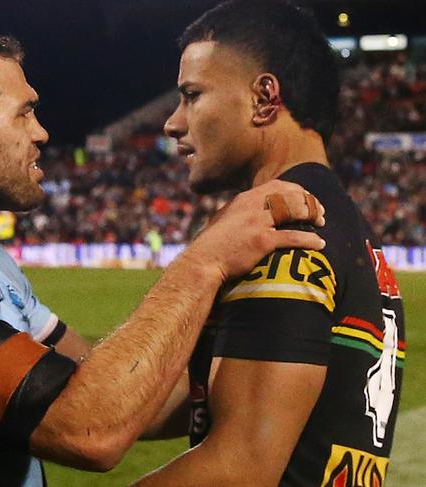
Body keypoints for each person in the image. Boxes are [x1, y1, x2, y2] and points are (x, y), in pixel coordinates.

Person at [0, 20, 325, 487]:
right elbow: (89, 427)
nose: (42, 132)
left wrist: (277, 364)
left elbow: (126, 395)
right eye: (24, 113)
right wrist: (202, 262)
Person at [130, 1, 405, 485]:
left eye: (192, 95)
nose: (173, 123)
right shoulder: (347, 227)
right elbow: (183, 398)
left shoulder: (285, 235)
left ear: (264, 99)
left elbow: (240, 470)